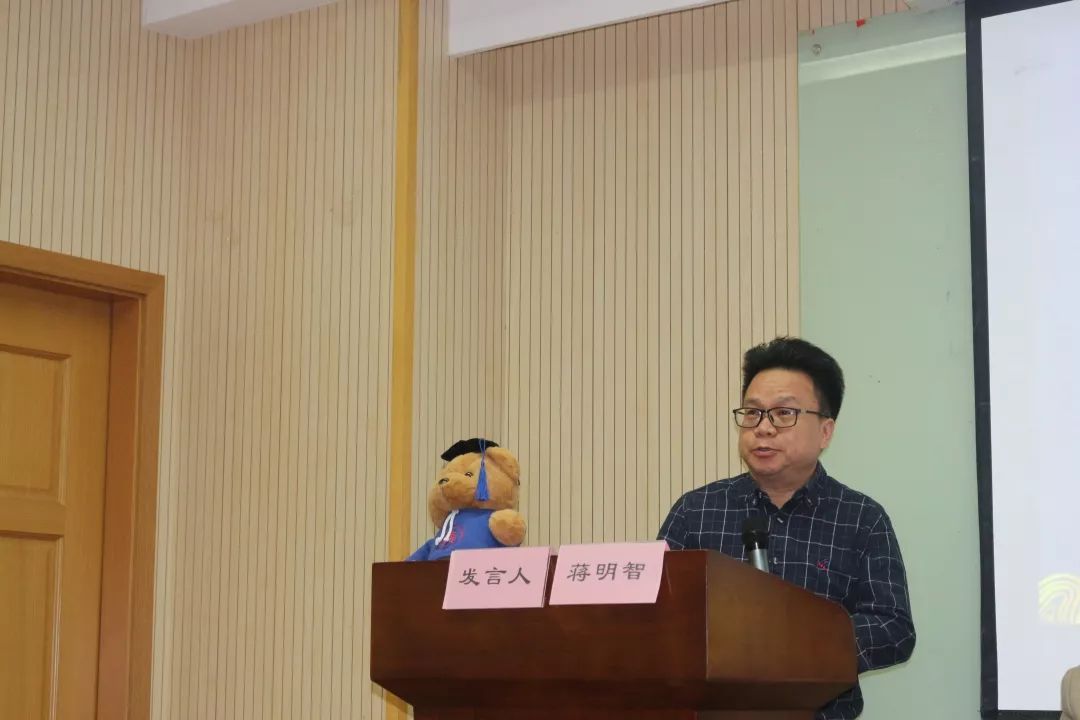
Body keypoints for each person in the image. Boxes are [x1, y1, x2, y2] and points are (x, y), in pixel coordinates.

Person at [658, 337, 915, 719]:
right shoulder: (696, 510)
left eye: (783, 413)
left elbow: (894, 629)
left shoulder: (862, 518)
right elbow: (655, 617)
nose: (763, 428)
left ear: (825, 431)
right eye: (752, 413)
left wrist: (801, 640)